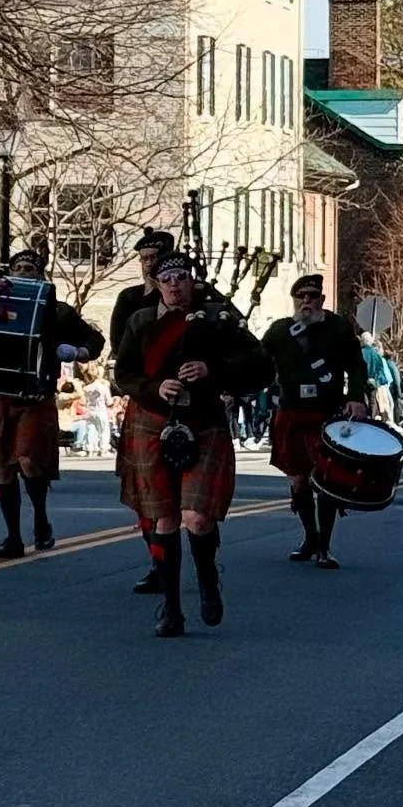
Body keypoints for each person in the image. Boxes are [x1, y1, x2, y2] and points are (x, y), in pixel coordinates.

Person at [114, 248, 270, 638]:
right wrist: (153, 387)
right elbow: (124, 375)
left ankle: (206, 579)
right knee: (164, 519)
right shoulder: (139, 322)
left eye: (180, 277)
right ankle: (170, 605)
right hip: (153, 424)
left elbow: (261, 365)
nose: (173, 285)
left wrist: (212, 370)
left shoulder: (218, 318)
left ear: (191, 281)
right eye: (165, 279)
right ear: (156, 283)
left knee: (197, 517)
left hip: (203, 422)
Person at [0, 244, 105, 558]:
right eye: (18, 270)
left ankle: (41, 519)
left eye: (29, 270)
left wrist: (77, 352)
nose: (23, 274)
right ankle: (13, 537)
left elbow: (94, 340)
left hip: (35, 395)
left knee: (29, 461)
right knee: (4, 469)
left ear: (40, 274)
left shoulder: (57, 310)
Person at [262, 273, 368, 569]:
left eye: (312, 296)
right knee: (298, 479)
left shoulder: (338, 328)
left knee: (328, 480)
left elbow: (356, 366)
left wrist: (356, 397)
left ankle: (325, 546)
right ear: (294, 301)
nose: (306, 301)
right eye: (301, 297)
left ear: (322, 299)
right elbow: (257, 362)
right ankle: (310, 537)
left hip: (327, 411)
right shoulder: (280, 331)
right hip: (291, 411)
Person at [360, 332, 396, 422]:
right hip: (373, 381)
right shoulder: (375, 354)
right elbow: (379, 368)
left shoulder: (360, 353)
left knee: (363, 399)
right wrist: (378, 381)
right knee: (373, 400)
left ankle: (364, 417)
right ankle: (372, 419)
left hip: (361, 380)